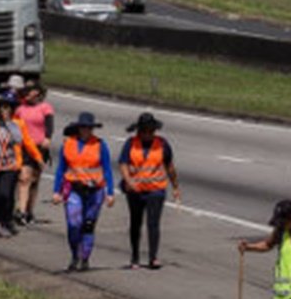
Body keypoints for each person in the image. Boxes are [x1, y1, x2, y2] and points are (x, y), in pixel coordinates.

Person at [51, 112, 114, 271]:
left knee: (88, 225)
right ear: (78, 128)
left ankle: (85, 257)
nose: (86, 131)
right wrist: (57, 191)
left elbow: (107, 170)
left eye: (89, 128)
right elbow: (61, 169)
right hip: (74, 189)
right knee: (74, 224)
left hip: (95, 191)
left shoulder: (100, 145)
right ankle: (75, 255)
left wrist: (110, 192)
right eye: (83, 128)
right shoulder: (68, 144)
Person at [117, 111, 180, 269]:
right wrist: (128, 180)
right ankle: (135, 256)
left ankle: (153, 257)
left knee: (153, 224)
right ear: (139, 131)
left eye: (150, 131)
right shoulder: (130, 144)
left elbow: (170, 167)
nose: (147, 134)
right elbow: (123, 163)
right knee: (135, 223)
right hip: (135, 190)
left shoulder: (162, 144)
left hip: (155, 190)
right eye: (144, 131)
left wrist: (175, 186)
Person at [0, 91, 43, 238]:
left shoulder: (17, 124)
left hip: (11, 165)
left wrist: (37, 157)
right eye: (3, 107)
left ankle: (5, 221)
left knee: (5, 194)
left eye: (9, 108)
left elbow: (26, 142)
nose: (6, 111)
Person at [15, 80, 54, 225]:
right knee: (24, 178)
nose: (29, 94)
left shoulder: (45, 108)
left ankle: (30, 210)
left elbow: (50, 124)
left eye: (31, 91)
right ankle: (21, 211)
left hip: (39, 147)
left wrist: (48, 138)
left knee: (34, 180)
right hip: (24, 146)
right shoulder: (20, 109)